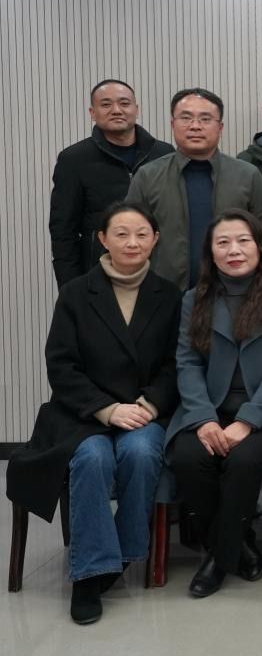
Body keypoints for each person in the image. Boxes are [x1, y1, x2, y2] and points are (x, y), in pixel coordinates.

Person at [7, 202, 182, 624]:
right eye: (121, 233)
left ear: (155, 239)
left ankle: (118, 556)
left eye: (142, 233)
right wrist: (107, 409)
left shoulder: (170, 295)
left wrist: (147, 404)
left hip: (144, 411)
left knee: (141, 453)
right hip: (84, 413)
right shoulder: (76, 293)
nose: (132, 242)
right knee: (91, 457)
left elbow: (177, 364)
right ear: (102, 239)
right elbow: (61, 365)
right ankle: (88, 575)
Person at [166, 211, 262, 597]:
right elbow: (187, 363)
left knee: (243, 459)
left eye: (243, 241)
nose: (234, 250)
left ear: (260, 248)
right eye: (223, 242)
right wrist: (203, 419)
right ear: (210, 252)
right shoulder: (194, 299)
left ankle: (218, 561)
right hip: (209, 408)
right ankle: (239, 545)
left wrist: (247, 421)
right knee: (187, 456)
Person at [126, 88, 262, 289]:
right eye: (186, 118)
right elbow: (131, 237)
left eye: (205, 119)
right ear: (172, 124)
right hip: (163, 294)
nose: (195, 126)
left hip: (235, 293)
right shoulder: (147, 176)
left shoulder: (248, 175)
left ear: (220, 127)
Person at [50, 79, 174, 288]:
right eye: (106, 104)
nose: (116, 110)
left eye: (124, 103)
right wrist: (70, 288)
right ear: (92, 112)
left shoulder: (164, 153)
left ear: (136, 109)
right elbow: (63, 231)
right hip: (99, 276)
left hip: (158, 275)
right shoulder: (74, 159)